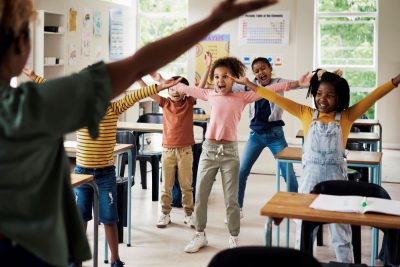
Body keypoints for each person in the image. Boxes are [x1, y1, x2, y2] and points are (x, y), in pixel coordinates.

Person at [0, 0, 279, 266]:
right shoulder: (29, 106)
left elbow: (144, 73)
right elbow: (140, 63)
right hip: (32, 252)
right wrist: (214, 20)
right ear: (20, 45)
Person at [231, 69, 400, 263]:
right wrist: (250, 84)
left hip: (338, 185)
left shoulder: (346, 117)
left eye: (329, 95)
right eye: (319, 94)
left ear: (339, 98)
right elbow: (272, 96)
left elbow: (373, 96)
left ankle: (346, 264)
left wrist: (395, 80)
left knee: (341, 235)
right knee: (303, 231)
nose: (322, 99)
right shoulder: (305, 113)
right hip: (309, 183)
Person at [23, 67, 178, 267]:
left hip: (105, 174)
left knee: (109, 218)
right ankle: (76, 260)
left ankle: (115, 260)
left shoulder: (113, 108)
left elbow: (138, 94)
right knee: (80, 218)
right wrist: (34, 76)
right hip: (82, 173)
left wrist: (159, 86)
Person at [170, 56, 308, 253]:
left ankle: (233, 236)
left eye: (225, 76)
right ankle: (200, 235)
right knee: (200, 194)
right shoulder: (210, 94)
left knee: (231, 199)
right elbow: (186, 89)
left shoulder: (243, 97)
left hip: (229, 152)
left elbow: (271, 90)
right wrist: (165, 83)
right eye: (217, 76)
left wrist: (298, 84)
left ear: (234, 78)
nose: (220, 80)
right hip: (209, 150)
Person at [138, 74, 196, 229]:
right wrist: (138, 78)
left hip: (185, 151)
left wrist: (208, 66)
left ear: (186, 90)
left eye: (179, 89)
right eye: (171, 89)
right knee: (166, 185)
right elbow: (148, 91)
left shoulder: (189, 102)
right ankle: (165, 213)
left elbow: (199, 90)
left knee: (186, 186)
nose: (175, 92)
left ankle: (189, 214)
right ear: (167, 90)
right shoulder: (164, 103)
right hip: (168, 151)